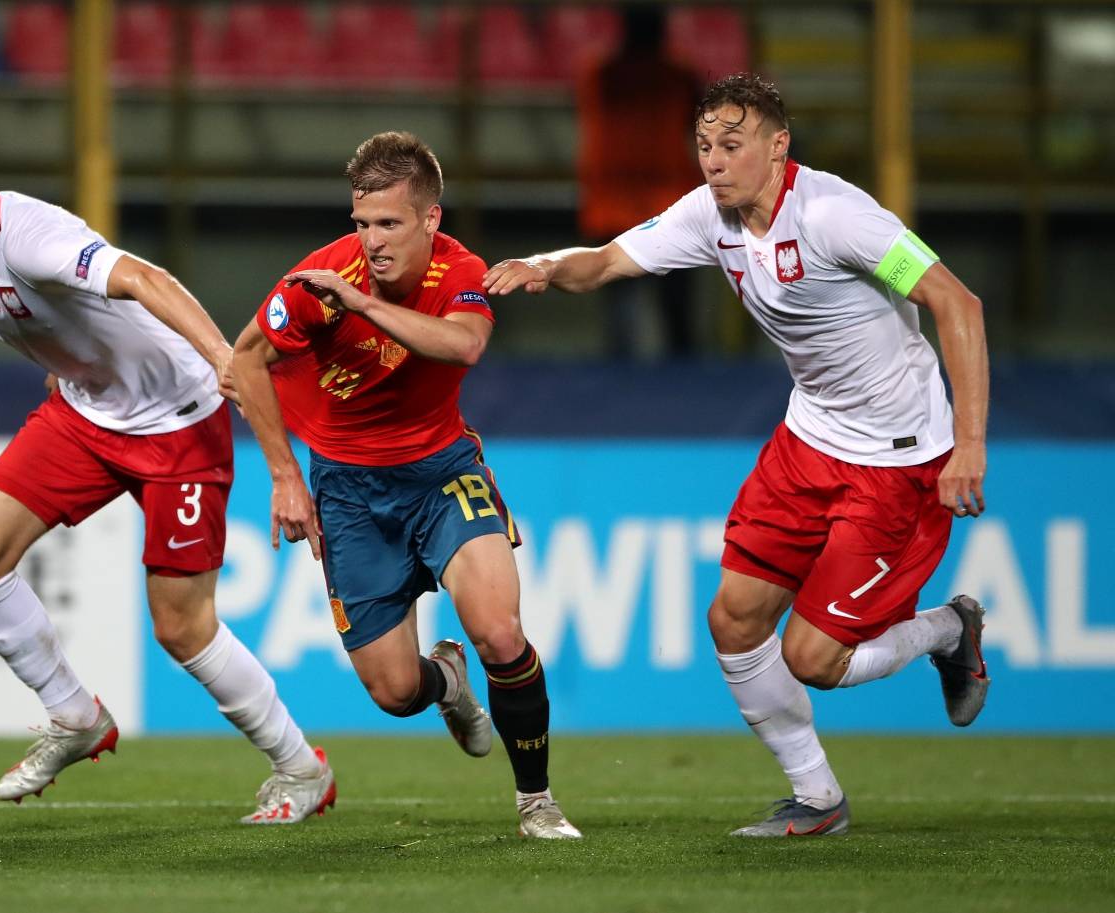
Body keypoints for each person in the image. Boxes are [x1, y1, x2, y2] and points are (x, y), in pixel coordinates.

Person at [484, 73, 991, 837]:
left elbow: (958, 303)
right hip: (808, 442)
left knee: (817, 658)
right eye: (703, 146)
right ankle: (818, 798)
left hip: (899, 459)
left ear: (778, 146)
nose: (713, 162)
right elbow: (610, 260)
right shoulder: (707, 216)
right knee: (733, 618)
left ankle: (950, 630)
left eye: (731, 144)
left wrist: (972, 446)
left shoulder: (837, 216)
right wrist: (547, 267)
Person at [0, 118, 334, 825]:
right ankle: (74, 715)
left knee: (182, 627)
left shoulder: (33, 238)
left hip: (179, 421)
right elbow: (46, 322)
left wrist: (225, 359)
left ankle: (301, 767)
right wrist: (69, 371)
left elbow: (143, 279)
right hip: (87, 416)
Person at [232, 131, 580, 839]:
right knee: (394, 691)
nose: (371, 241)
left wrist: (359, 306)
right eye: (361, 224)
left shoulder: (460, 270)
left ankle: (536, 800)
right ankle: (447, 683)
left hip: (441, 473)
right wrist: (284, 477)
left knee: (499, 631)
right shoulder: (318, 280)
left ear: (430, 219)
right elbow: (244, 360)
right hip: (349, 492)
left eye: (388, 223)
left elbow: (465, 343)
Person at [574, 6, 703, 359]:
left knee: (621, 310)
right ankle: (686, 384)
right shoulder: (679, 74)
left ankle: (620, 385)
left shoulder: (599, 72)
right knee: (675, 312)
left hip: (616, 203)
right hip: (667, 204)